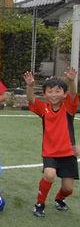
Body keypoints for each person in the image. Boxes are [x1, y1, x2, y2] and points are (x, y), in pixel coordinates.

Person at [24, 69, 79, 217]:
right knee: (49, 174)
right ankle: (40, 204)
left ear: (64, 94)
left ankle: (59, 199)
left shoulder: (68, 108)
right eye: (50, 91)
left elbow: (73, 94)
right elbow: (31, 99)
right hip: (50, 152)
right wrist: (30, 86)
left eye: (58, 91)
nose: (54, 94)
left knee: (68, 189)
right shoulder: (44, 109)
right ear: (45, 94)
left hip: (68, 153)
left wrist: (71, 81)